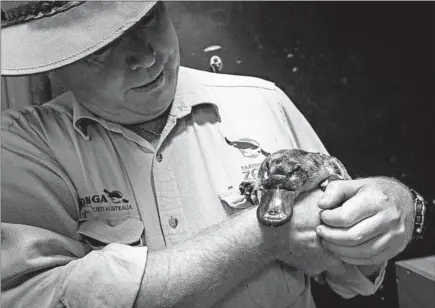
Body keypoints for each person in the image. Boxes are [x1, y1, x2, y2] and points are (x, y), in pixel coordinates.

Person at [1, 1, 429, 308]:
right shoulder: (22, 147)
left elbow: (348, 275)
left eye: (148, 18)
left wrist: (396, 208)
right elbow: (36, 295)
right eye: (101, 49)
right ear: (54, 65)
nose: (148, 56)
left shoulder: (263, 102)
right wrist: (262, 237)